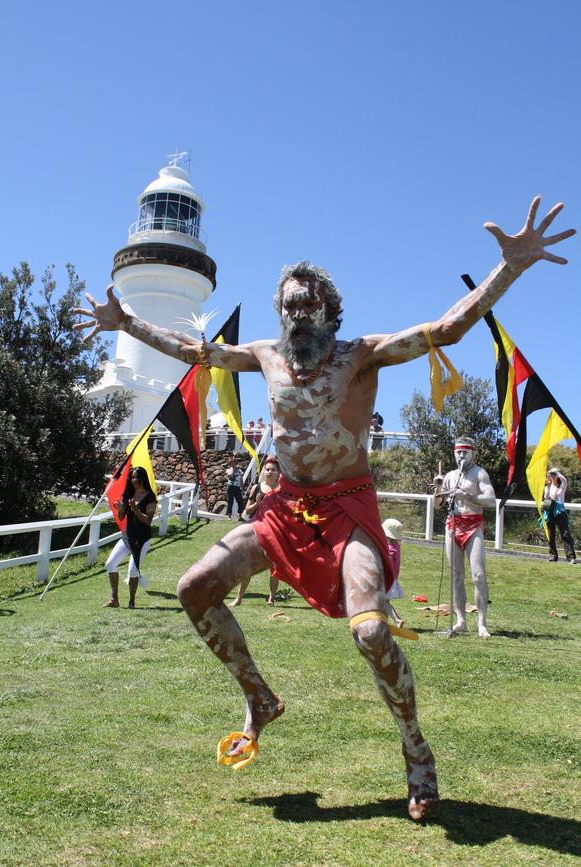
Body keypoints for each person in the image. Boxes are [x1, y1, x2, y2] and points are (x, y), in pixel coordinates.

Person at [75, 195, 574, 821]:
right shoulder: (262, 354)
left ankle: (417, 752)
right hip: (284, 510)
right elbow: (196, 353)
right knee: (194, 586)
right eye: (288, 307)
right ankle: (260, 700)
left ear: (330, 312)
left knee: (369, 631)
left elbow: (444, 331)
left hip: (347, 510)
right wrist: (127, 325)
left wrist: (511, 268)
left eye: (308, 306)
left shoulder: (360, 353)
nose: (297, 316)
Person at [433, 437, 495, 638]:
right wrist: (438, 488)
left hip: (473, 525)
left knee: (478, 575)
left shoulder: (480, 473)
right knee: (456, 576)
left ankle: (482, 623)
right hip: (453, 526)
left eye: (465, 452)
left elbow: (491, 500)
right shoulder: (451, 476)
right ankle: (461, 621)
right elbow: (437, 505)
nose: (461, 455)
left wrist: (467, 496)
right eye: (458, 452)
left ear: (472, 453)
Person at [230, 456, 281, 607]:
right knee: (247, 565)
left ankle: (272, 597)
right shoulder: (256, 488)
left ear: (279, 473)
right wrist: (257, 504)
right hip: (256, 530)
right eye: (267, 469)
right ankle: (239, 598)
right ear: (264, 471)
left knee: (274, 566)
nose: (270, 472)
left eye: (273, 470)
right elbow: (247, 510)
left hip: (274, 532)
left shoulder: (282, 490)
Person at [104, 466, 157, 609]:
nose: (134, 480)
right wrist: (121, 508)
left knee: (132, 570)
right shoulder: (128, 494)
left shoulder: (150, 497)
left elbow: (148, 520)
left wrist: (136, 510)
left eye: (136, 477)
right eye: (132, 477)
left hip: (142, 539)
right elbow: (121, 517)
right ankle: (114, 599)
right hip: (128, 537)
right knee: (110, 564)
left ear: (143, 478)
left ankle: (132, 602)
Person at [541, 468, 577, 564]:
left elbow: (565, 480)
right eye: (551, 474)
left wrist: (557, 473)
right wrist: (548, 486)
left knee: (565, 534)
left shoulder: (562, 486)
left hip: (560, 512)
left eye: (554, 474)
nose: (552, 476)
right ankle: (553, 556)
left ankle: (571, 557)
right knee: (550, 534)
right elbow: (546, 498)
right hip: (550, 512)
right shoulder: (547, 486)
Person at [382, 518, 405, 629]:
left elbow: (386, 562)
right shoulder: (397, 546)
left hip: (388, 579)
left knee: (383, 601)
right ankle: (383, 622)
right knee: (386, 601)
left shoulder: (391, 549)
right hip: (393, 579)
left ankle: (397, 619)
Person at [225, 456, 245, 520]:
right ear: (230, 463)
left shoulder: (239, 471)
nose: (233, 464)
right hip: (231, 487)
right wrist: (233, 470)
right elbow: (231, 477)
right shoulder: (228, 470)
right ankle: (229, 516)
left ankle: (240, 516)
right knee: (230, 501)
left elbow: (241, 480)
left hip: (237, 487)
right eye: (232, 463)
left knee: (240, 502)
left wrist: (241, 487)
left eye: (234, 463)